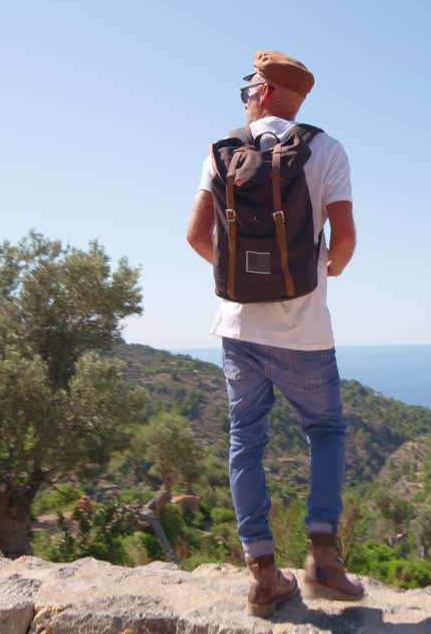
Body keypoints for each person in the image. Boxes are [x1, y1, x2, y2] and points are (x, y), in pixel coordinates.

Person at [185, 50, 363, 617]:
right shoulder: (326, 149)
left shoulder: (221, 152)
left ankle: (263, 574)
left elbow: (195, 236)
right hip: (304, 329)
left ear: (261, 91)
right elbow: (344, 243)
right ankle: (324, 559)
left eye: (247, 87)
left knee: (247, 440)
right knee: (325, 431)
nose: (244, 95)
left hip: (238, 328)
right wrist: (316, 275)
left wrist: (239, 281)